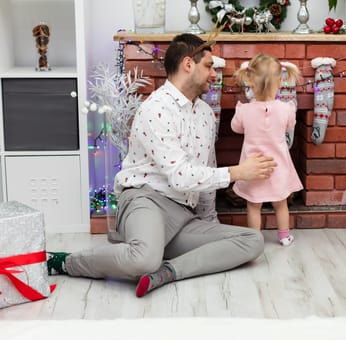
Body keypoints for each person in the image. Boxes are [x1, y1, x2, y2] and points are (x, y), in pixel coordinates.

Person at [46, 33, 277, 297]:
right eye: (209, 66)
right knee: (142, 259)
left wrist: (209, 224)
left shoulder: (204, 114)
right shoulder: (155, 109)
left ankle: (167, 272)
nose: (214, 74)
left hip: (184, 214)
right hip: (146, 200)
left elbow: (206, 169)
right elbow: (180, 176)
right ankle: (67, 262)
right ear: (188, 64)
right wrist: (238, 172)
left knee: (252, 240)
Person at [231, 53, 303, 246]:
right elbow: (290, 126)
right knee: (281, 203)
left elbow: (235, 128)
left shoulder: (244, 111)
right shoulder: (286, 109)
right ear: (280, 81)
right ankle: (284, 236)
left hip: (253, 167)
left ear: (250, 82)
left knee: (254, 205)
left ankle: (255, 239)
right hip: (278, 166)